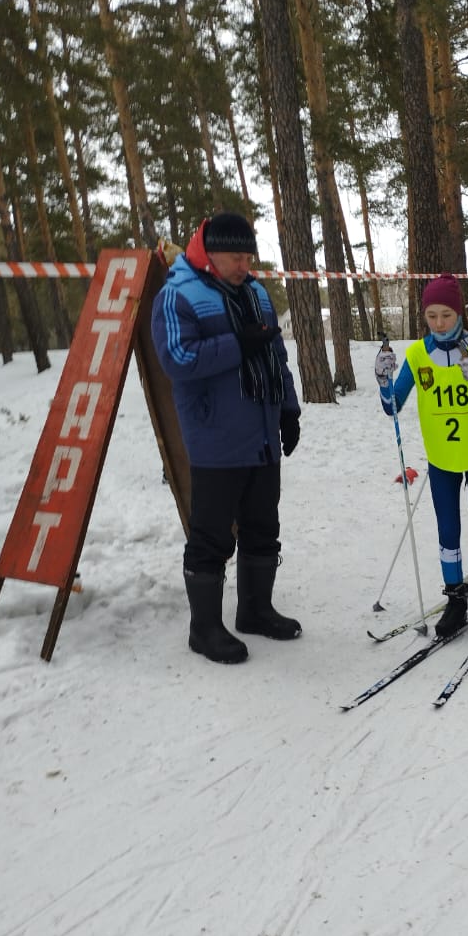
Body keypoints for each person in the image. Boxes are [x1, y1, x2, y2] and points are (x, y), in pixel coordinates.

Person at [151, 212, 302, 665]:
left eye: (248, 255)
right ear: (210, 252)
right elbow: (177, 359)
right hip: (215, 437)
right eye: (235, 256)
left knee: (263, 528)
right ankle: (204, 629)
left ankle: (255, 611)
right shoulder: (178, 294)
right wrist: (238, 344)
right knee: (212, 536)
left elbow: (274, 350)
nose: (244, 264)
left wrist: (289, 410)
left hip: (260, 434)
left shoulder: (255, 291)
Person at [375, 274, 468, 635]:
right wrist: (382, 381)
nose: (439, 323)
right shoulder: (419, 353)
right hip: (441, 459)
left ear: (459, 314)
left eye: (447, 315)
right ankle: (454, 599)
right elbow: (393, 405)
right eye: (432, 315)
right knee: (448, 531)